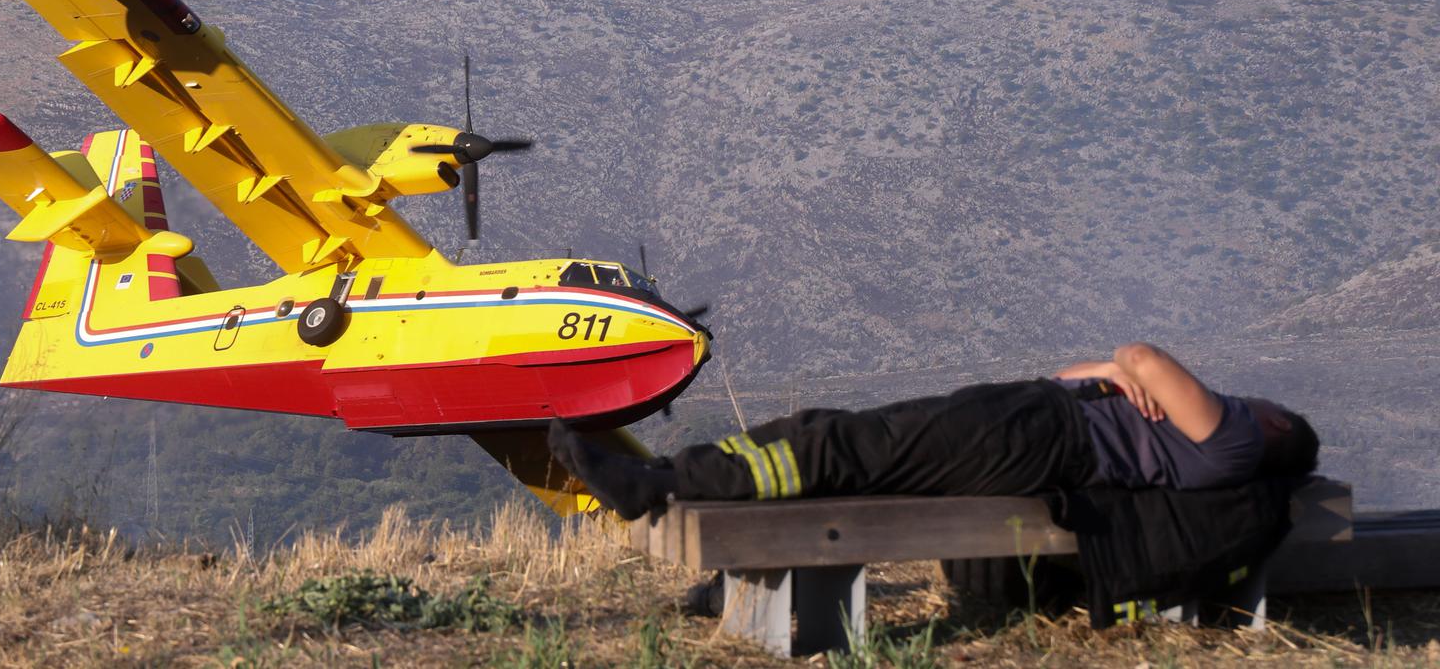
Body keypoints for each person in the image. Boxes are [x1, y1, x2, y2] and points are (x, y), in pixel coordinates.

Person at [548, 342, 1319, 521]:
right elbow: (1076, 372)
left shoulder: (1237, 440)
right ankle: (678, 476)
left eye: (1269, 404)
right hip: (1033, 423)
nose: (1253, 398)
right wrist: (1114, 375)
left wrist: (1124, 368)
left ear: (1278, 429)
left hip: (1039, 438)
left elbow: (1138, 355)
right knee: (830, 435)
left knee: (847, 449)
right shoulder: (1211, 442)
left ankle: (657, 485)